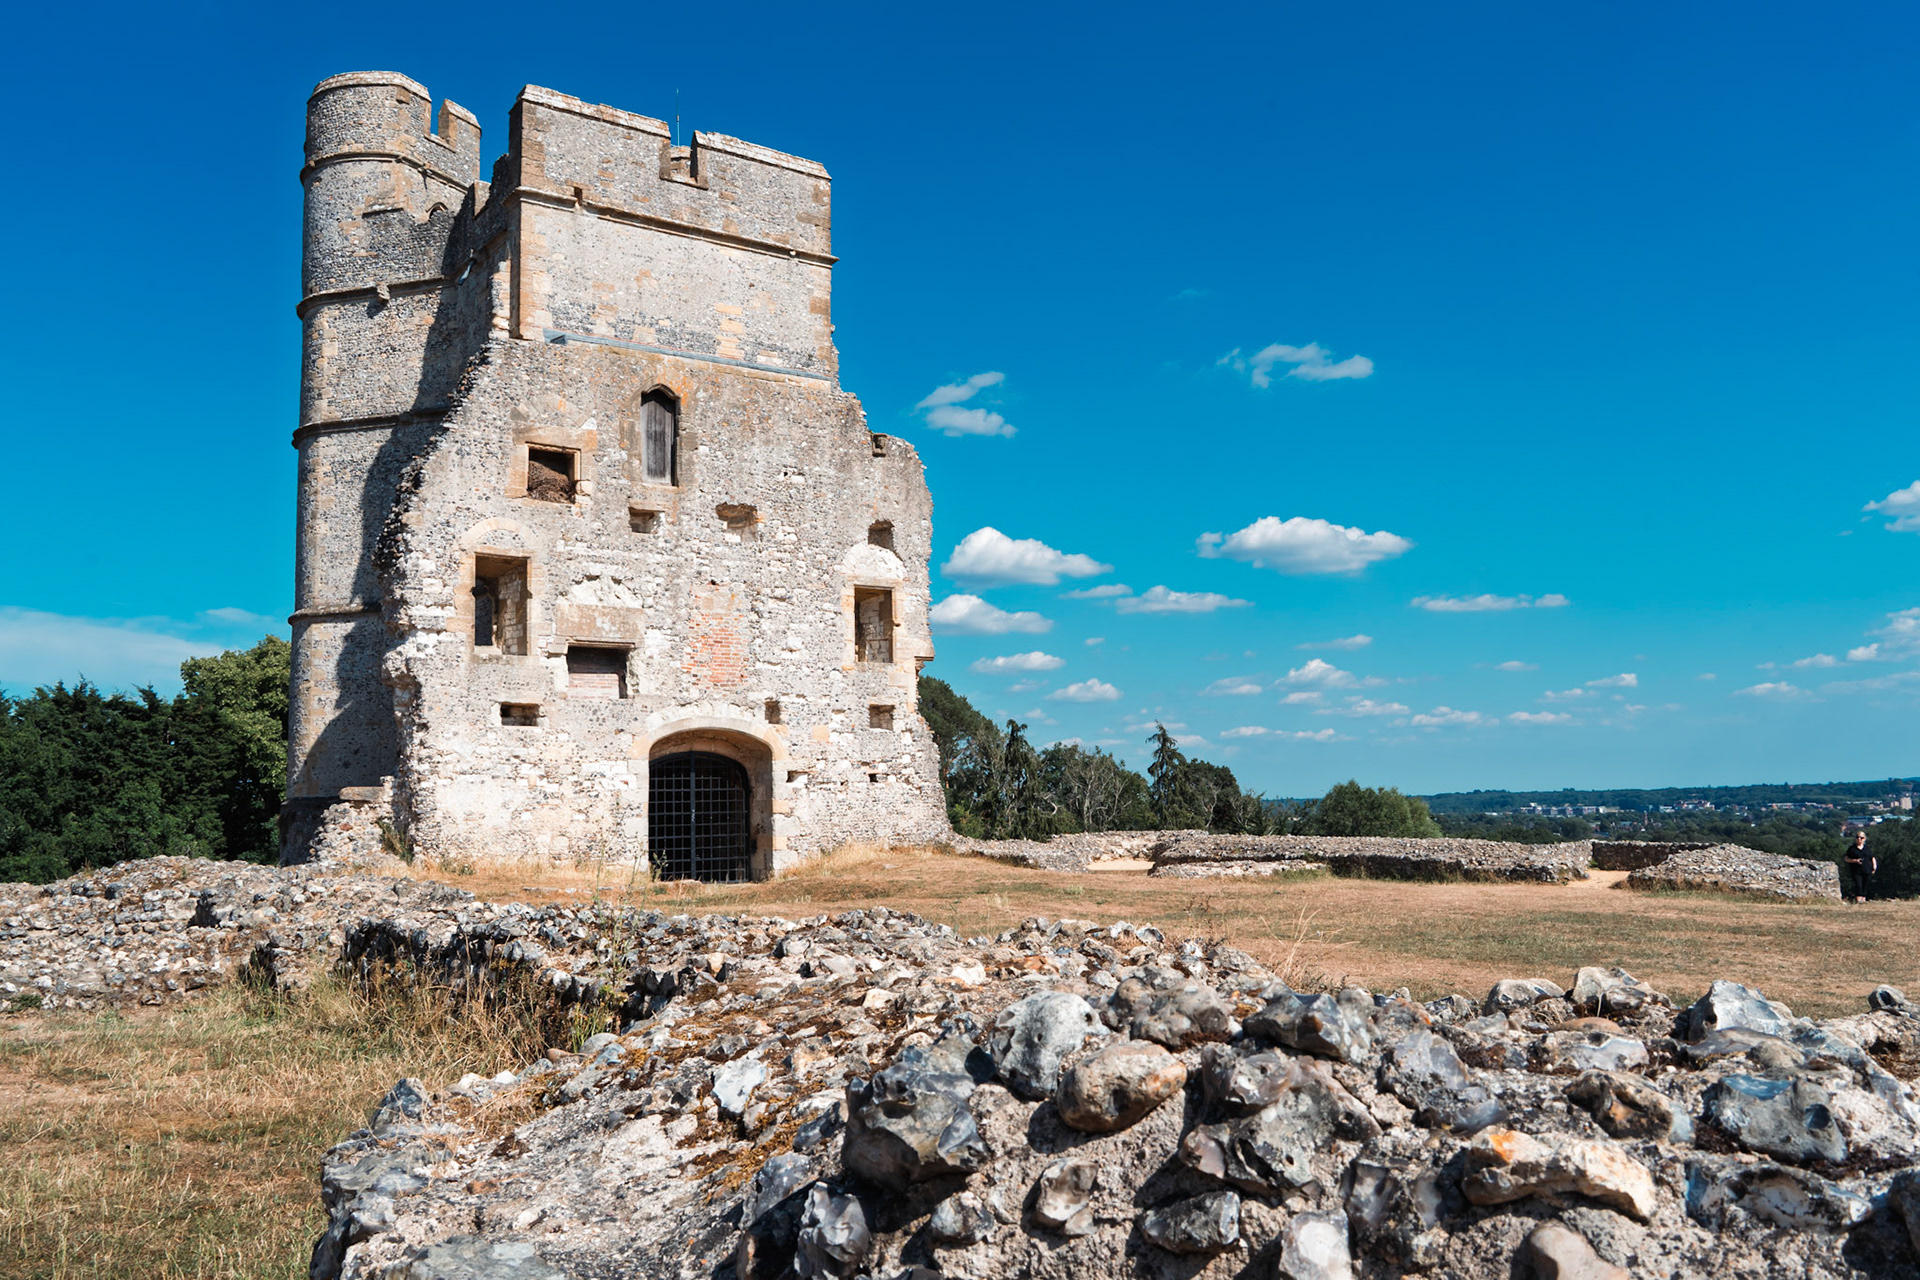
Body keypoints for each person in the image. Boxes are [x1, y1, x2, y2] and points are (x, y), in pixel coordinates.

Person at [1843, 830, 1876, 903]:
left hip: (1867, 870)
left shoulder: (1867, 849)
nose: (1859, 839)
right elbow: (1846, 858)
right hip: (1856, 871)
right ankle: (1858, 899)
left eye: (1861, 838)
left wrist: (1874, 867)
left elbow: (1872, 857)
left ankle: (1863, 899)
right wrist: (1855, 861)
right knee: (1858, 885)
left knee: (1865, 884)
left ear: (1864, 839)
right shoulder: (1852, 849)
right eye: (1857, 837)